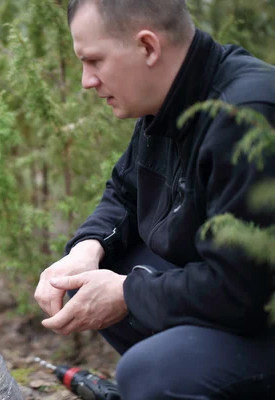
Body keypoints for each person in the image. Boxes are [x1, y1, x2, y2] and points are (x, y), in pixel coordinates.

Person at [34, 1, 275, 399]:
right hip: (235, 295)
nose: (86, 81)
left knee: (150, 376)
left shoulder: (246, 117)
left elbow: (245, 290)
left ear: (148, 47)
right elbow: (124, 192)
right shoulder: (169, 101)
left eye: (94, 60)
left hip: (258, 309)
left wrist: (128, 293)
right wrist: (86, 249)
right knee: (81, 280)